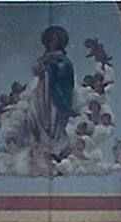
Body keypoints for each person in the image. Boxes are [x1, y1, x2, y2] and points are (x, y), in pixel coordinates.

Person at [24, 25, 75, 163]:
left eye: (56, 40)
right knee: (35, 114)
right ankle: (41, 146)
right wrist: (44, 61)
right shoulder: (45, 57)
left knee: (55, 118)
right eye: (51, 39)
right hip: (43, 90)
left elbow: (66, 74)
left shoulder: (63, 58)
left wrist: (58, 66)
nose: (53, 42)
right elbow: (36, 69)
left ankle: (56, 149)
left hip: (56, 93)